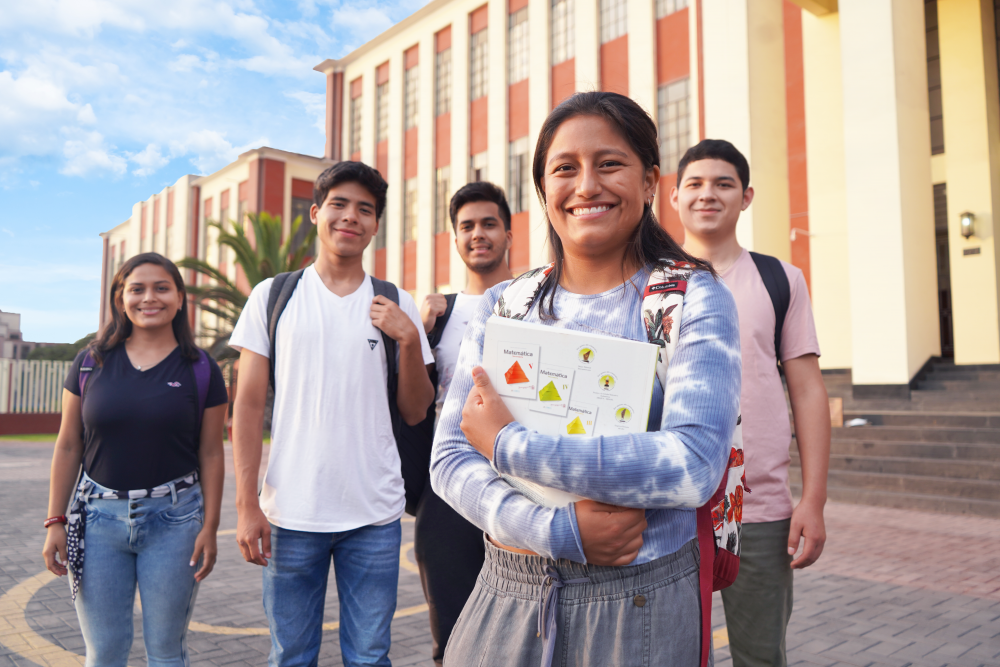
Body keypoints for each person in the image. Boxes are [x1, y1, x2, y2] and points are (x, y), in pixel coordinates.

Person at [430, 91, 742, 666]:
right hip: (505, 591)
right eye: (565, 168)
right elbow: (449, 460)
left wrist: (508, 445)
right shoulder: (506, 304)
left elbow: (694, 464)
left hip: (639, 605)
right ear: (544, 191)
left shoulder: (690, 299)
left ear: (649, 181)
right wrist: (551, 530)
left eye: (610, 164)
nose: (587, 185)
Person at [229, 161, 435, 667]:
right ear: (317, 213)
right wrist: (246, 505)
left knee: (368, 656)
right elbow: (249, 406)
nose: (351, 217)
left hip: (374, 514)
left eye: (365, 210)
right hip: (291, 513)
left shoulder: (396, 301)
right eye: (339, 205)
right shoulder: (273, 297)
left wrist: (408, 338)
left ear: (375, 225)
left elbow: (415, 410)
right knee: (291, 656)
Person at [671, 139, 830, 667]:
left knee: (761, 656)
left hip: (758, 508)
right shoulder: (653, 282)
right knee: (669, 653)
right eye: (694, 184)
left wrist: (812, 500)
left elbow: (807, 390)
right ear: (673, 198)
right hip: (669, 505)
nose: (707, 194)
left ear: (746, 197)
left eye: (723, 184)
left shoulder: (780, 279)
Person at [42, 252, 228, 667]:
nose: (150, 298)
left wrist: (210, 527)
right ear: (120, 298)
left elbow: (212, 451)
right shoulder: (90, 362)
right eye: (137, 289)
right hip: (96, 522)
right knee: (104, 652)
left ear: (180, 298)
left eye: (162, 288)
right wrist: (55, 521)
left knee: (165, 652)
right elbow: (69, 444)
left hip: (176, 523)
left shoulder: (202, 370)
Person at [413, 181, 514, 666]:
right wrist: (415, 335)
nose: (478, 234)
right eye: (467, 226)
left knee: (525, 635)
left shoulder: (534, 300)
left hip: (522, 486)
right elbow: (411, 405)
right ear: (454, 239)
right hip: (449, 493)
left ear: (508, 234)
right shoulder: (438, 314)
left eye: (489, 224)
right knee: (451, 641)